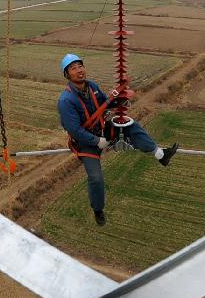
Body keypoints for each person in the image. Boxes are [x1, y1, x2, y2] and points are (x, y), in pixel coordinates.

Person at [57, 53, 178, 226]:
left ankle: (160, 155)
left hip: (101, 130)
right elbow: (74, 130)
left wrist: (118, 104)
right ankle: (98, 210)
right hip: (85, 142)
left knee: (130, 125)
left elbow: (103, 104)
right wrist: (96, 142)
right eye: (73, 68)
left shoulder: (92, 87)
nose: (79, 70)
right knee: (96, 178)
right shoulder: (66, 100)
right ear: (67, 74)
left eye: (80, 66)